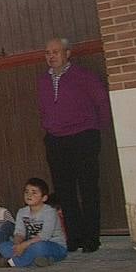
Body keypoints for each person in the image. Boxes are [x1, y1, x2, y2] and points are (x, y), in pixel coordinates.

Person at [37, 38, 111, 253]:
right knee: (64, 191)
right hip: (56, 140)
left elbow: (102, 102)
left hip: (83, 137)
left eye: (56, 52)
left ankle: (91, 239)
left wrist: (96, 131)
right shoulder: (43, 81)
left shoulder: (84, 76)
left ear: (67, 53)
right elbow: (44, 109)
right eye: (47, 53)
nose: (51, 56)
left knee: (88, 189)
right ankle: (74, 237)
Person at [0, 178, 68, 268]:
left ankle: (11, 263)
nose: (29, 195)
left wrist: (24, 245)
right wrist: (17, 245)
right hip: (29, 245)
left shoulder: (50, 212)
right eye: (26, 192)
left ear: (44, 198)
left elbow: (45, 236)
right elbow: (19, 233)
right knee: (3, 246)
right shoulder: (22, 212)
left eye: (34, 192)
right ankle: (38, 261)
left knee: (38, 247)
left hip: (53, 246)